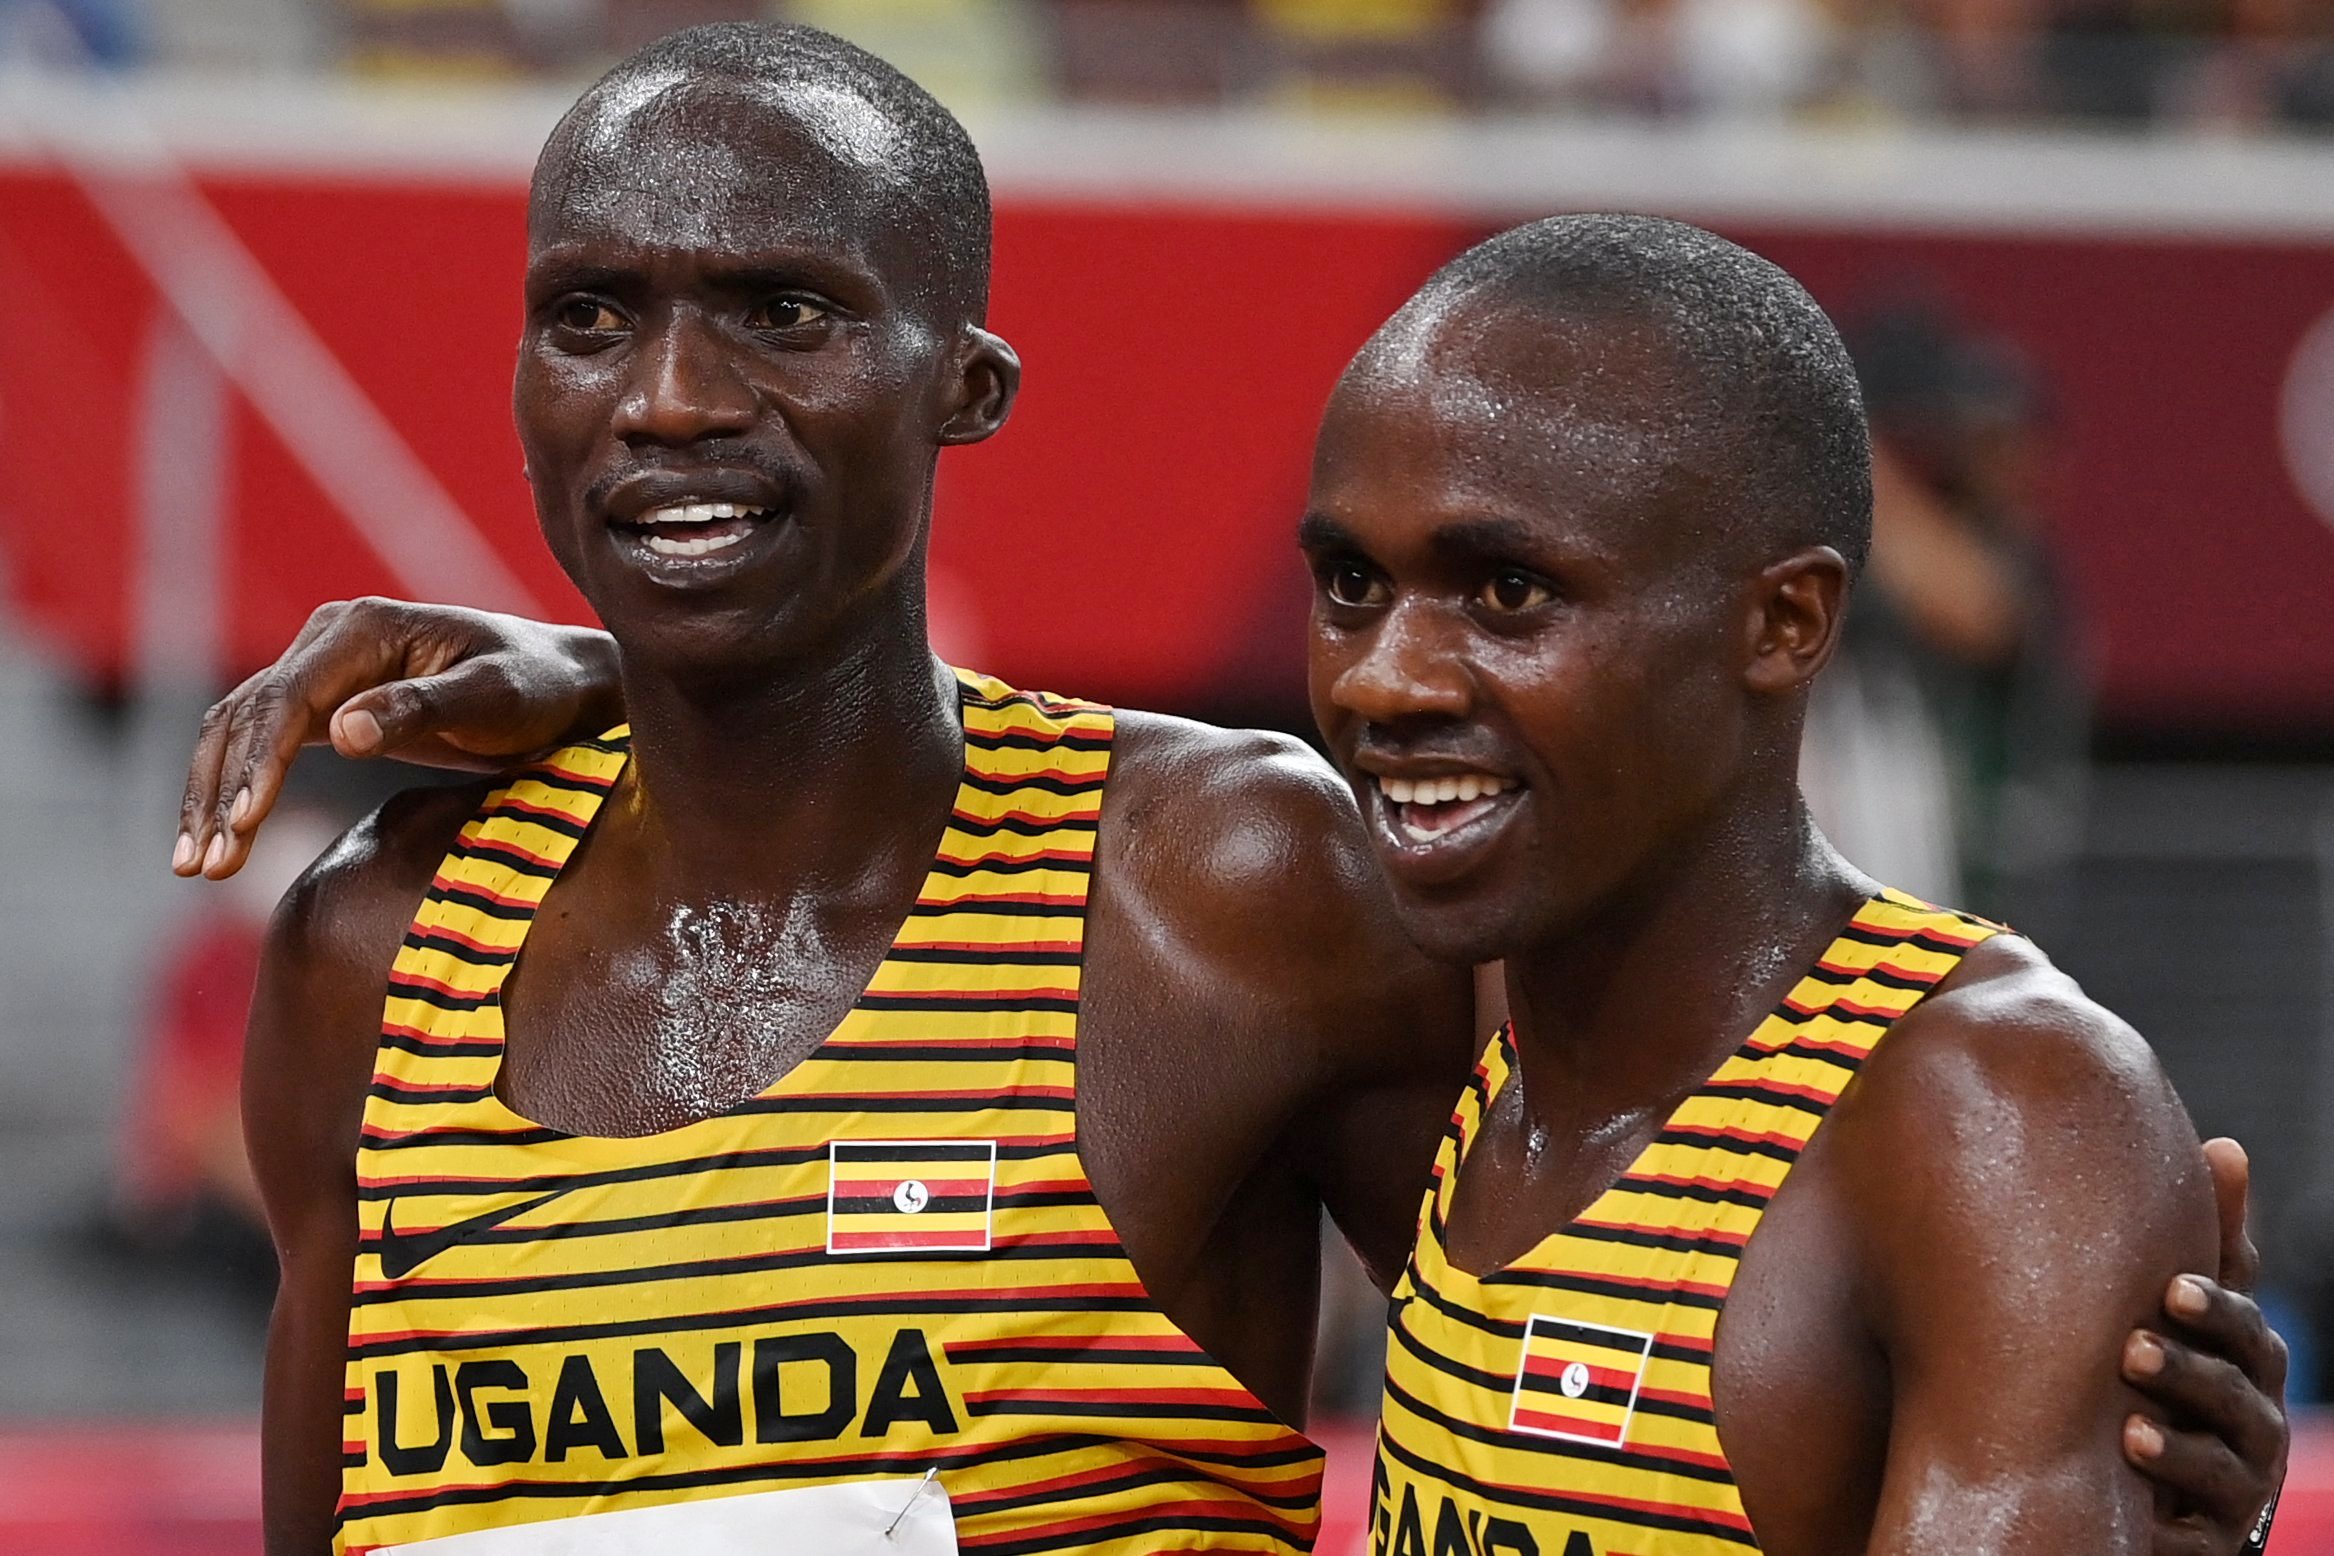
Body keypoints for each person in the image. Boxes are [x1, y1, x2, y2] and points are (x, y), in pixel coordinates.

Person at [190, 23, 2284, 1556]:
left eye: (779, 313)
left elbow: (1680, 1197)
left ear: (968, 388)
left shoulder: (1247, 892)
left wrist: (2048, 1377)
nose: (668, 396)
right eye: (592, 319)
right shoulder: (377, 950)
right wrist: (636, 673)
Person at [1298, 214, 2284, 1553]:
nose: (1381, 677)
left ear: (1783, 623)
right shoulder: (1441, 1040)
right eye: (1351, 581)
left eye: (1510, 592)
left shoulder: (1996, 1126)